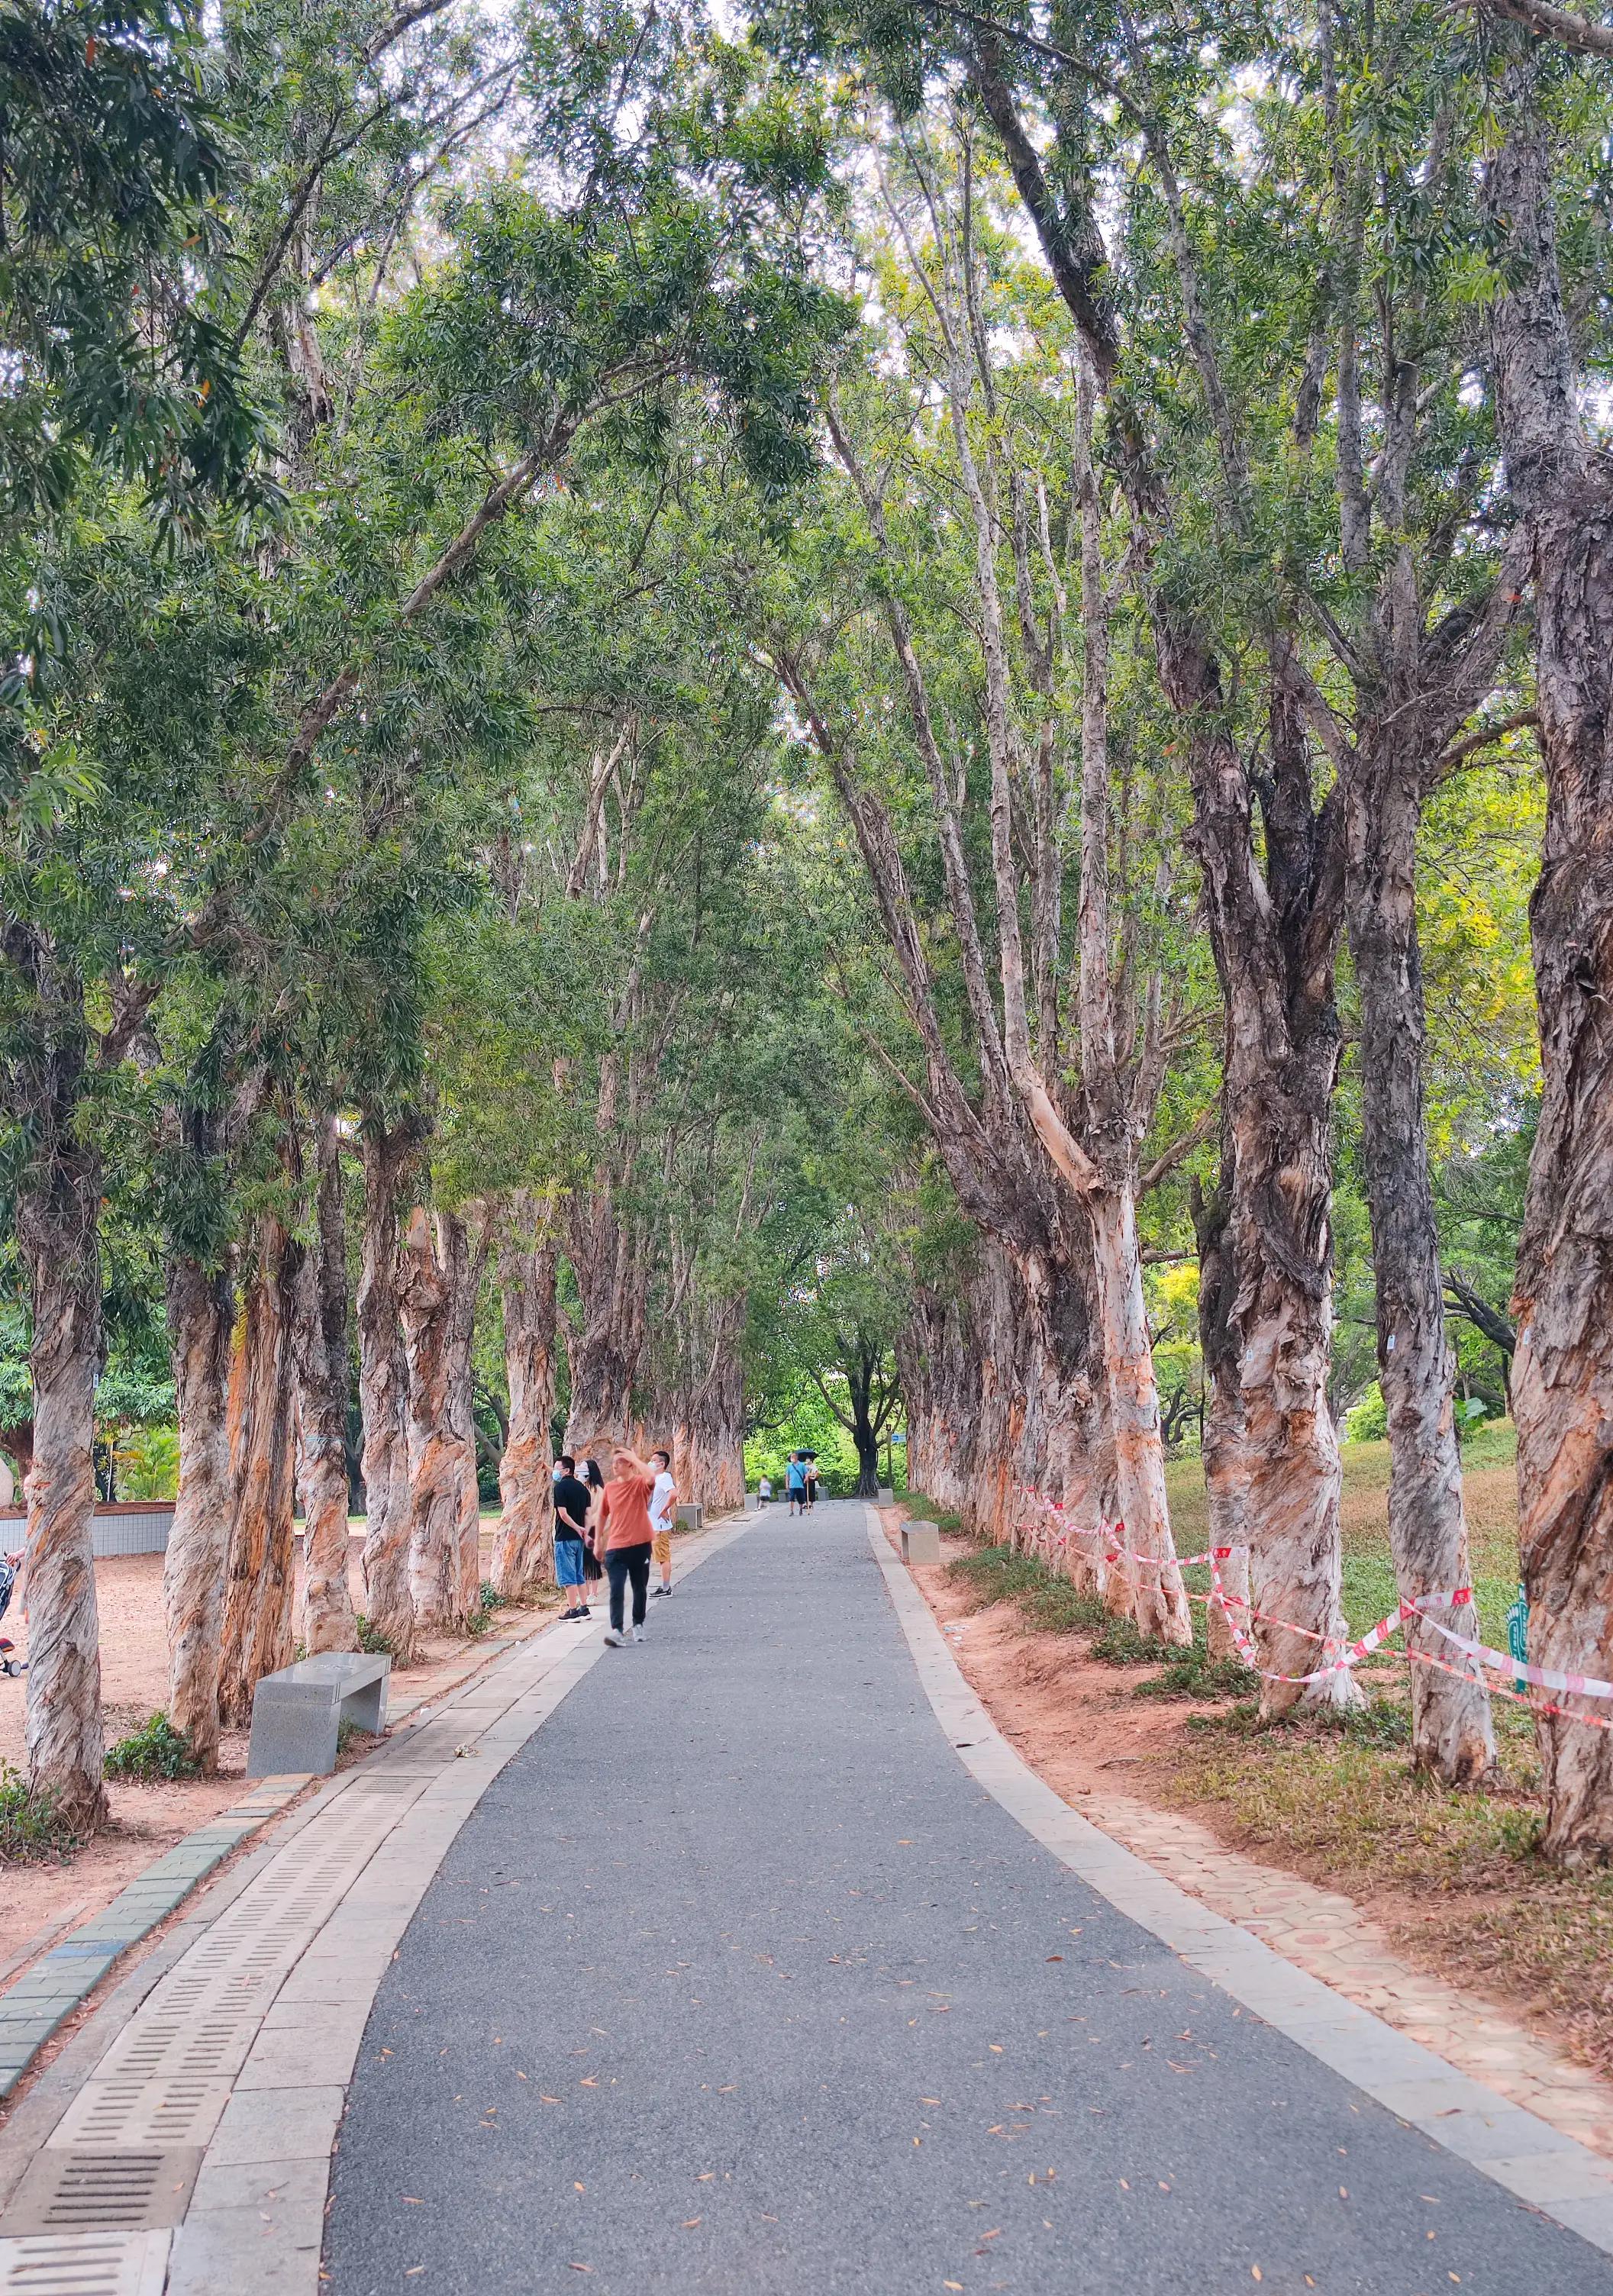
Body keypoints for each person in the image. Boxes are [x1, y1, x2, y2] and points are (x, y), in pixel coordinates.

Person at [597, 1445, 658, 1646]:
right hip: (616, 1545)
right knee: (616, 1588)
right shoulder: (610, 1488)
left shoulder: (640, 1483)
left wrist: (635, 1457)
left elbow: (651, 1478)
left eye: (620, 1462)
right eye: (613, 1463)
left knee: (639, 1587)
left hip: (640, 1544)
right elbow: (602, 1514)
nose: (615, 1466)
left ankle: (638, 1623)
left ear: (630, 1464)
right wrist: (598, 1541)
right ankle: (617, 1631)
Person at [552, 1453, 593, 1621]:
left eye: (557, 1469)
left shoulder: (560, 1488)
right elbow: (589, 1514)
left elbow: (563, 1514)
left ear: (566, 1470)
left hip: (565, 1537)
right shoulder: (583, 1489)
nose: (555, 1472)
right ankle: (584, 1608)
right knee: (579, 1574)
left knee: (568, 1576)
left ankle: (572, 1610)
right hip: (579, 1539)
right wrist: (586, 1532)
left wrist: (576, 1528)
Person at [649, 1448, 677, 1598]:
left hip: (659, 1525)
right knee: (659, 1557)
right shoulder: (655, 1479)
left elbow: (674, 1494)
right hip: (652, 1525)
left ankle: (666, 1588)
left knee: (663, 1557)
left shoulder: (665, 1477)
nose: (650, 1463)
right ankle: (664, 1587)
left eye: (653, 1461)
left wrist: (665, 1509)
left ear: (661, 1464)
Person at [579, 1457, 607, 1598]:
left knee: (593, 1561)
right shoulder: (583, 1487)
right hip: (582, 1527)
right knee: (583, 1561)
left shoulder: (598, 1490)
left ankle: (594, 1593)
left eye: (584, 1469)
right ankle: (586, 1592)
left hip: (593, 1529)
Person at [785, 1451, 808, 1516]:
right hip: (792, 1485)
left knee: (800, 1499)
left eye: (793, 1457)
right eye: (791, 1457)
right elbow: (787, 1476)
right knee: (791, 1498)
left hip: (800, 1485)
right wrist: (787, 1484)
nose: (792, 1458)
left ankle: (801, 1510)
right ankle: (791, 1511)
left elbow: (806, 1473)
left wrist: (806, 1478)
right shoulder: (789, 1466)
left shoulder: (802, 1465)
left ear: (796, 1457)